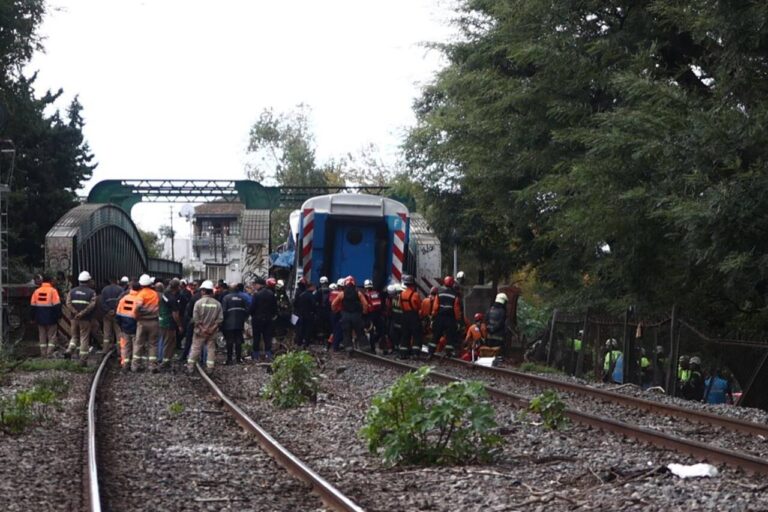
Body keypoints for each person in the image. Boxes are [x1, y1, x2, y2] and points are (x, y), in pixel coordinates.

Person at [187, 280, 223, 374]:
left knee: (195, 348)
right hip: (212, 332)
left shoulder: (198, 303)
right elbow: (220, 319)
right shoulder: (217, 304)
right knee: (211, 349)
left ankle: (190, 367)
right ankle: (210, 368)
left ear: (203, 291)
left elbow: (195, 318)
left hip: (200, 331)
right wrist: (212, 328)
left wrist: (203, 329)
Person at [331, 276, 369, 354]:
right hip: (356, 316)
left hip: (345, 316)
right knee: (360, 332)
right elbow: (365, 304)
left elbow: (333, 304)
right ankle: (365, 347)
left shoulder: (342, 294)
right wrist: (364, 311)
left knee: (346, 333)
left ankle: (349, 348)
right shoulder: (358, 293)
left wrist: (334, 310)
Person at [66, 271, 97, 364]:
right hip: (85, 319)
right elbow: (92, 305)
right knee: (84, 337)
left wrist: (75, 312)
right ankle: (83, 359)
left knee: (74, 336)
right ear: (88, 280)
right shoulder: (92, 292)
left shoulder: (72, 291)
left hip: (74, 318)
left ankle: (69, 350)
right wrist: (82, 313)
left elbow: (68, 303)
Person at [133, 273, 160, 372]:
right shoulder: (154, 294)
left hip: (142, 322)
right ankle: (152, 366)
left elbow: (137, 307)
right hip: (153, 322)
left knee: (139, 343)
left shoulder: (141, 294)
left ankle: (135, 365)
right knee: (153, 344)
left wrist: (136, 316)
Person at [30, 275, 62, 357]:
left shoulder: (36, 291)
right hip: (51, 318)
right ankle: (49, 353)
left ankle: (43, 354)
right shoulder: (53, 291)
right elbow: (57, 306)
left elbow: (32, 306)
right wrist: (59, 317)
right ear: (50, 281)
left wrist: (32, 318)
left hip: (39, 318)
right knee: (52, 336)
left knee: (42, 336)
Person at [430, 275, 462, 357]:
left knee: (436, 335)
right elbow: (456, 309)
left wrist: (433, 316)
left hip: (439, 317)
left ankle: (430, 352)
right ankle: (448, 353)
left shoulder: (439, 292)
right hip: (450, 318)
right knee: (450, 336)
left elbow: (435, 306)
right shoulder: (455, 294)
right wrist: (458, 320)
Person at [250, 277, 277, 362]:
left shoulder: (256, 294)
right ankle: (268, 355)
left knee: (256, 337)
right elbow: (274, 307)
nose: (254, 286)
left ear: (259, 285)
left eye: (255, 284)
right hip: (268, 319)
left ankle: (256, 356)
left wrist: (252, 314)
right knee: (267, 337)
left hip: (257, 319)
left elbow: (252, 308)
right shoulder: (271, 293)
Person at [115, 281, 140, 371]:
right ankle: (134, 366)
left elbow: (118, 314)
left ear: (131, 288)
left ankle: (125, 364)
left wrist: (121, 326)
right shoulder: (140, 299)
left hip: (125, 327)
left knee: (125, 346)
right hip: (136, 327)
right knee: (136, 346)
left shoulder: (124, 299)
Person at [222, 283, 248, 365]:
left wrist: (223, 321)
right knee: (238, 341)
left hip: (229, 323)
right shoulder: (242, 298)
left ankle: (229, 359)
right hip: (240, 322)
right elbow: (246, 310)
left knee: (229, 341)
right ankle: (238, 358)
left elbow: (224, 311)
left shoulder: (226, 298)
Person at [159, 278, 182, 368]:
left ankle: (164, 359)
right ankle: (165, 362)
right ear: (177, 287)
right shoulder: (172, 299)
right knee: (169, 343)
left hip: (162, 321)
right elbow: (175, 314)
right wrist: (180, 325)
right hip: (169, 323)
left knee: (164, 341)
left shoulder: (165, 294)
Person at [399, 275, 423, 357]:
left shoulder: (401, 294)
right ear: (412, 284)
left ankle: (403, 353)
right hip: (413, 316)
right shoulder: (415, 294)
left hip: (404, 315)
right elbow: (419, 306)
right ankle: (415, 353)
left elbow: (400, 305)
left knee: (405, 334)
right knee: (416, 334)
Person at [100, 277, 124, 353]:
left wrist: (108, 310)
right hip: (117, 315)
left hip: (107, 315)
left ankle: (105, 349)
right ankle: (119, 350)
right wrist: (115, 310)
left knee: (107, 333)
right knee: (118, 333)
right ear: (116, 281)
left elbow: (102, 302)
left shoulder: (104, 290)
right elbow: (122, 302)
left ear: (110, 281)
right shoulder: (120, 290)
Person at [363, 279, 385, 353]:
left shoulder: (366, 295)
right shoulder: (377, 293)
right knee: (381, 331)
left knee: (371, 332)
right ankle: (384, 348)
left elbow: (365, 305)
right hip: (378, 315)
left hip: (370, 315)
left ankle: (372, 349)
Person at [293, 278, 317, 348]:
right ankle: (306, 343)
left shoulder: (301, 294)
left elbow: (295, 303)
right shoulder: (310, 296)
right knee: (308, 329)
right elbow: (314, 305)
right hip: (308, 315)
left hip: (300, 314)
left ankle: (299, 342)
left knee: (300, 329)